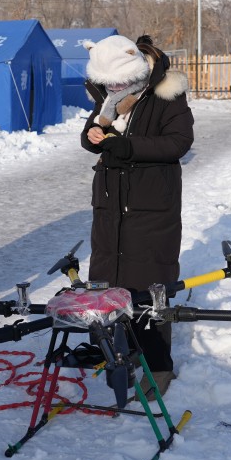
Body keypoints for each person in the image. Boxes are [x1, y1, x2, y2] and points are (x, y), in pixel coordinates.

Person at [79, 34, 194, 400]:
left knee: (149, 287)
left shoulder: (166, 94)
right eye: (107, 84)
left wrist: (126, 146)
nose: (112, 90)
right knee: (110, 282)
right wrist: (93, 134)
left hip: (151, 206)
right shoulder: (108, 96)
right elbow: (91, 134)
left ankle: (159, 366)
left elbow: (178, 142)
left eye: (117, 83)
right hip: (111, 205)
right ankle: (120, 353)